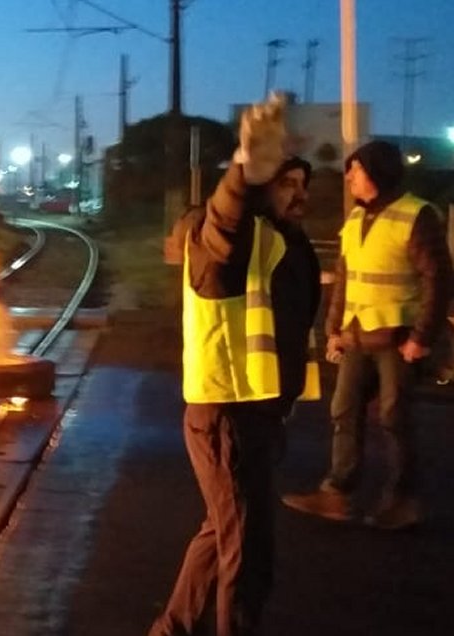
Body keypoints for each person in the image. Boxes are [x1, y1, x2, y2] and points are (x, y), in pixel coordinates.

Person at [149, 96, 321, 636]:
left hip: (257, 414)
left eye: (303, 185)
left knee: (222, 533)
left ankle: (172, 629)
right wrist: (244, 173)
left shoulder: (284, 240)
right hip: (229, 415)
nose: (299, 195)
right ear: (262, 187)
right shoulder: (224, 237)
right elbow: (225, 228)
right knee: (248, 554)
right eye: (287, 184)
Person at [282, 140, 453, 530]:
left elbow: (439, 278)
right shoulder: (356, 218)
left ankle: (403, 499)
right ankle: (337, 493)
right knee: (343, 410)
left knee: (395, 418)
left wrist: (422, 337)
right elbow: (346, 278)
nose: (349, 177)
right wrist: (334, 329)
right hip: (357, 337)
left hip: (399, 338)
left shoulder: (416, 215)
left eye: (355, 170)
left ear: (376, 172)